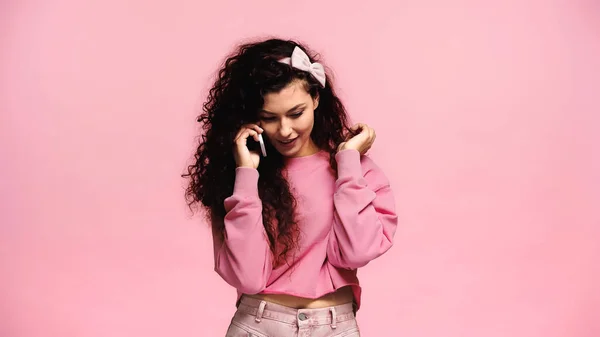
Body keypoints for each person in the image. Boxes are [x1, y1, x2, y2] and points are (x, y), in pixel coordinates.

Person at [184, 38, 398, 337]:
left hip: (335, 327)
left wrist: (348, 162)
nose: (284, 130)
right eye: (269, 118)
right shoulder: (237, 179)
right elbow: (248, 278)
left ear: (315, 99)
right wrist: (246, 174)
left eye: (295, 113)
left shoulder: (356, 170)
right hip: (259, 326)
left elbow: (355, 253)